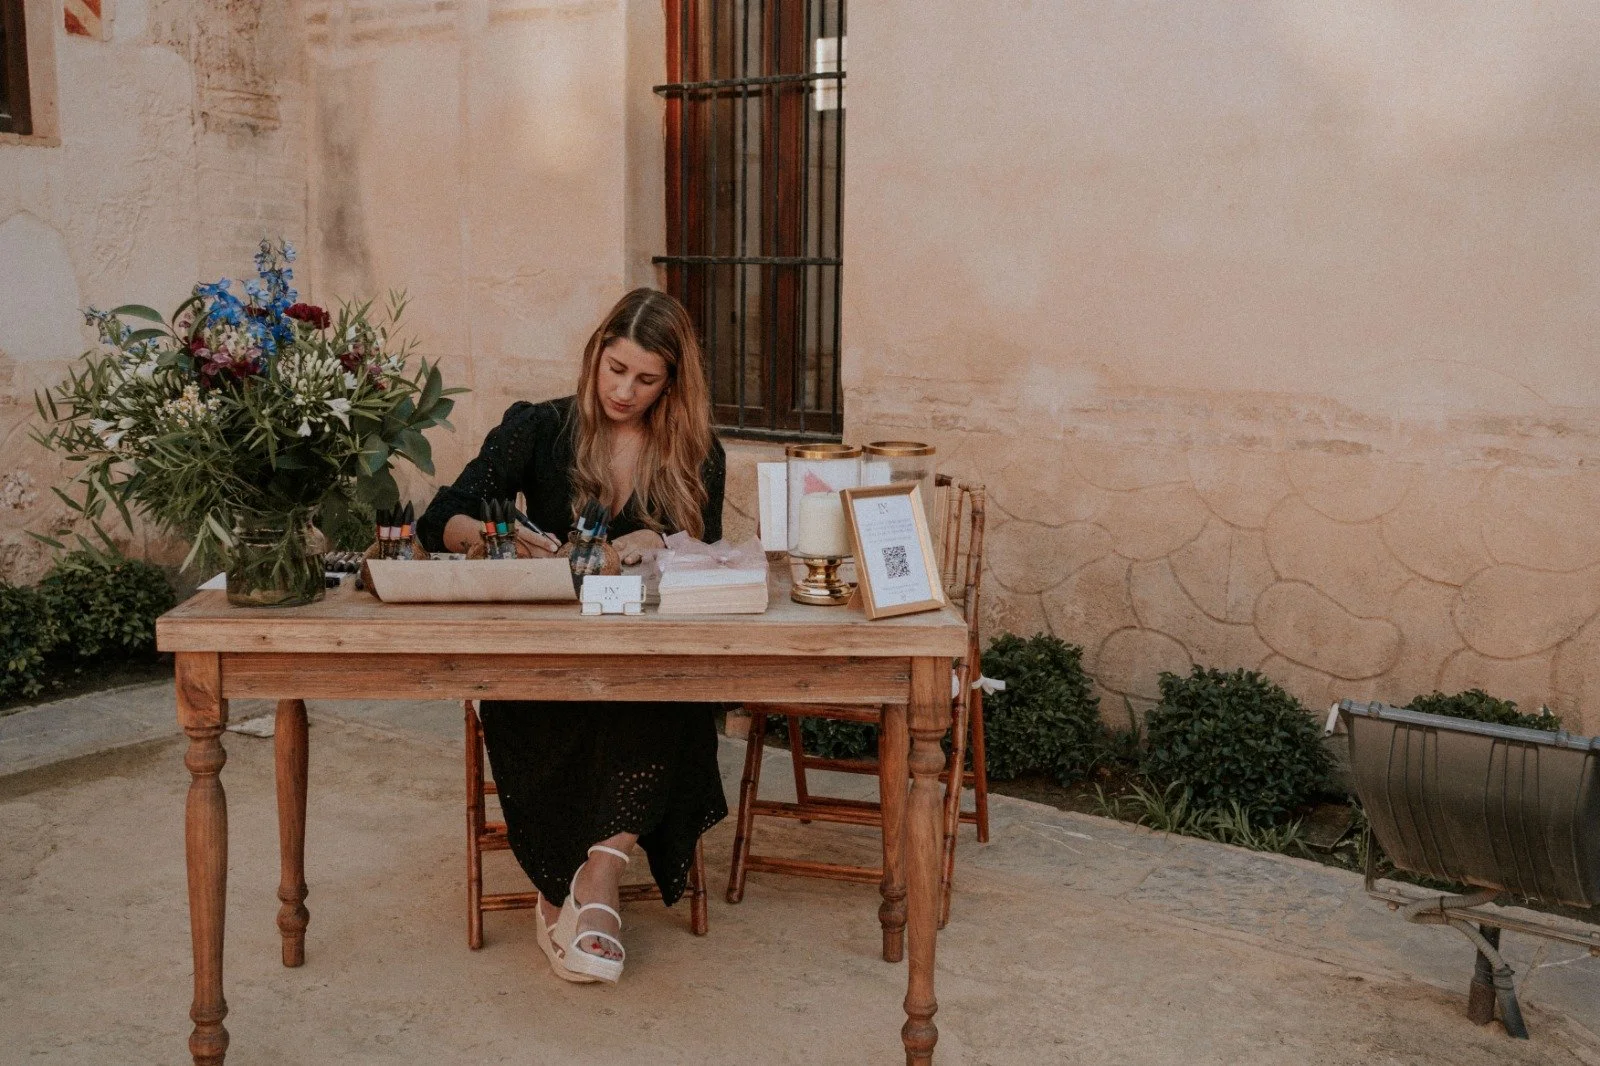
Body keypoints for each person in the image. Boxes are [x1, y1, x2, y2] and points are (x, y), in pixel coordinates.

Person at [417, 288, 727, 983]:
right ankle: (586, 887)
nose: (624, 391)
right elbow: (441, 516)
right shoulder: (541, 428)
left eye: (646, 379)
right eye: (615, 369)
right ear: (595, 355)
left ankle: (595, 877)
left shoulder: (696, 452)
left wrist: (661, 542)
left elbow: (708, 558)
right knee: (564, 711)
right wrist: (498, 539)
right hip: (542, 659)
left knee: (669, 701)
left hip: (646, 659)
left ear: (672, 383)